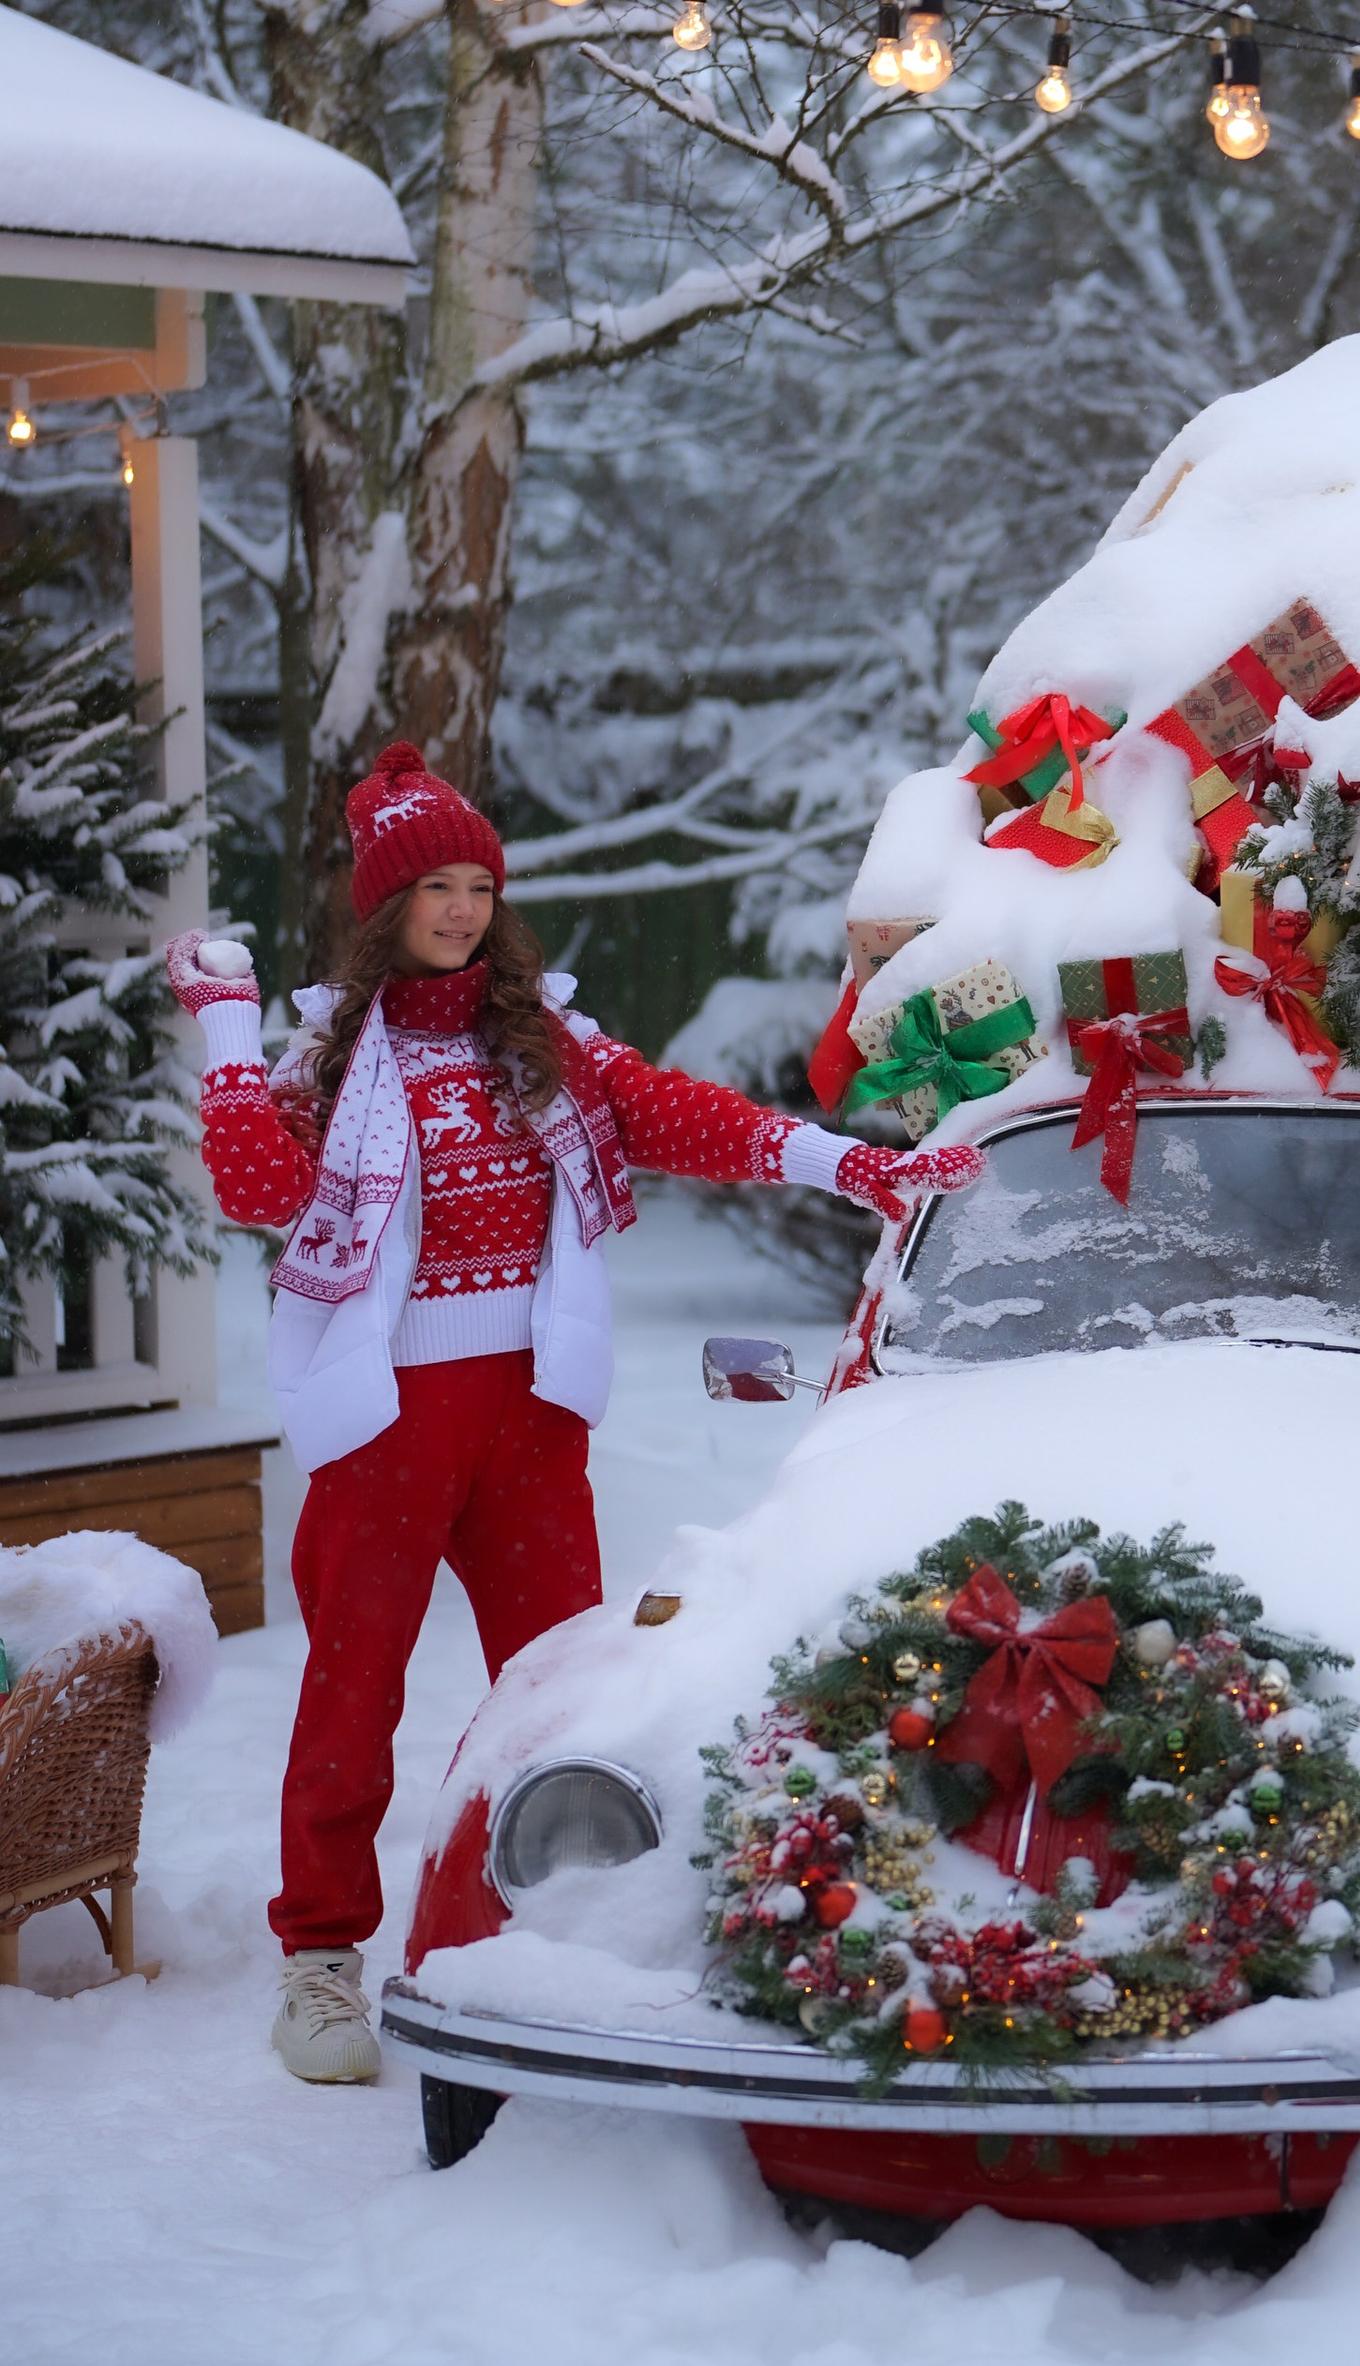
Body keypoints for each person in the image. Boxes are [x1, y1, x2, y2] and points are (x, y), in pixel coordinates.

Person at [165, 741, 980, 2090]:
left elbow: (680, 1118)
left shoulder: (548, 1044)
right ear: (383, 908)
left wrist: (857, 1167)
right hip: (384, 1421)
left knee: (560, 1691)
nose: (462, 907)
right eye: (432, 885)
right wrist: (226, 1025)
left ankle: (561, 1919)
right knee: (350, 1694)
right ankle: (320, 1961)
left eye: (479, 881)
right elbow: (254, 1185)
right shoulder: (331, 1056)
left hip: (532, 1418)